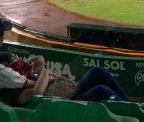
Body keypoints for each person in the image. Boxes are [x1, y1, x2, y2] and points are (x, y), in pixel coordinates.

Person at [0, 20, 129, 105]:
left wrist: (34, 70)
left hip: (65, 91)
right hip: (61, 103)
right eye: (12, 60)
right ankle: (128, 109)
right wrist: (46, 74)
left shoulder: (15, 73)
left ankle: (128, 105)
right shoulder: (8, 79)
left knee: (98, 72)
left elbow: (37, 66)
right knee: (101, 91)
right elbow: (37, 91)